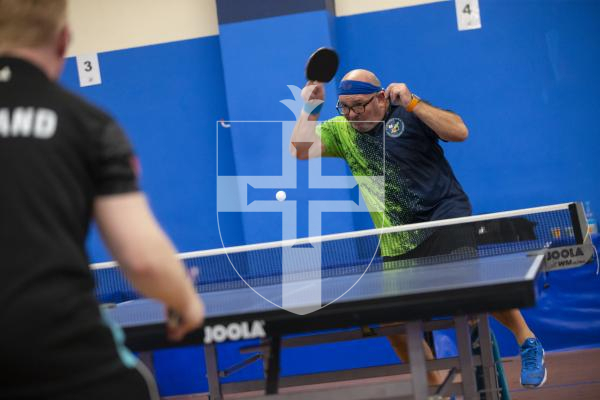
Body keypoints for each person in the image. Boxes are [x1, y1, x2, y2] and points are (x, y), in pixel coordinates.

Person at [290, 68, 546, 388]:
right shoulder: (343, 130)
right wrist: (311, 108)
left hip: (444, 215)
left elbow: (459, 131)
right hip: (398, 238)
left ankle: (528, 342)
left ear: (381, 97)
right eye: (345, 107)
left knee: (470, 286)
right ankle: (437, 387)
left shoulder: (408, 113)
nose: (353, 113)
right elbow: (299, 150)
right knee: (393, 320)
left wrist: (414, 103)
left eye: (359, 104)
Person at [0, 1, 204, 399]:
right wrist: (184, 299)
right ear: (63, 42)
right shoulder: (88, 125)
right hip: (66, 358)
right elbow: (143, 260)